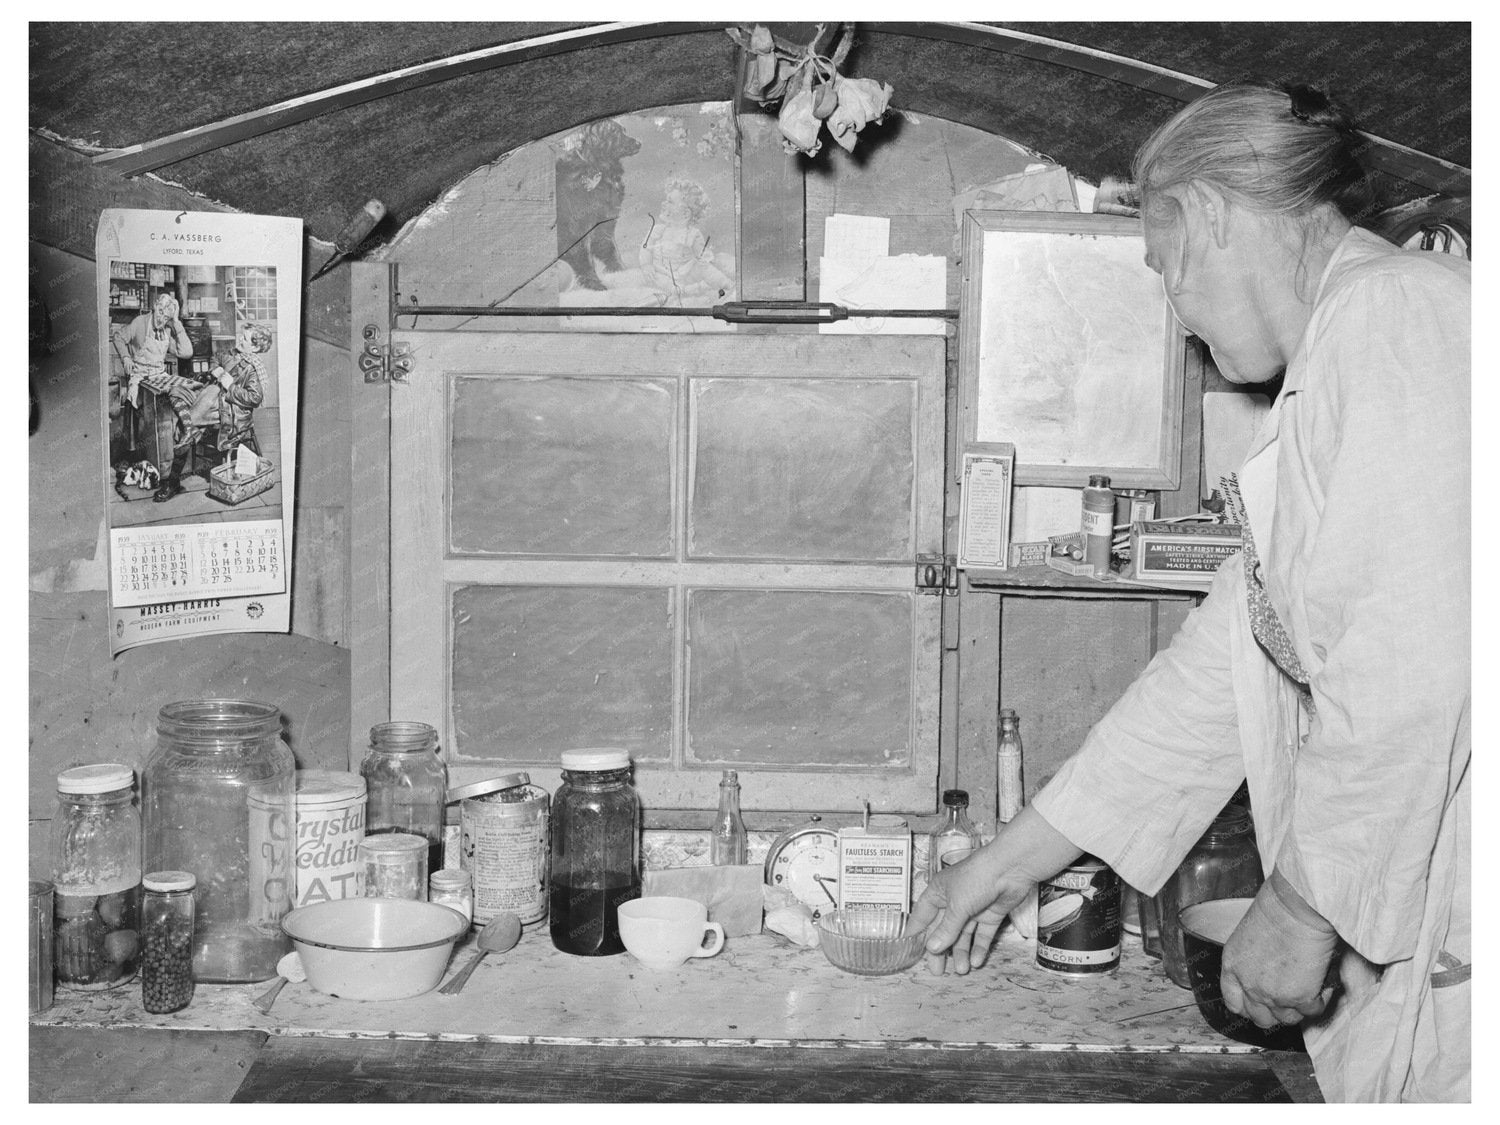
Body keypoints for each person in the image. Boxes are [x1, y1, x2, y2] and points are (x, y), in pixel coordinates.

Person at [909, 81, 1469, 1103]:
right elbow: (1222, 669)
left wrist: (1300, 908)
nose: (1177, 314)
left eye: (1166, 268)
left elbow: (1410, 664)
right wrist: (1011, 861)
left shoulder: (1394, 315)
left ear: (1210, 212)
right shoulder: (1343, 355)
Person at [151, 320, 270, 503]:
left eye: (244, 339)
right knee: (175, 391)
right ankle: (189, 426)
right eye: (241, 335)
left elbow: (254, 398)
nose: (239, 339)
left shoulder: (252, 369)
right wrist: (216, 369)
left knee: (190, 420)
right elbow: (216, 358)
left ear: (254, 348)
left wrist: (230, 386)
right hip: (207, 398)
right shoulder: (232, 353)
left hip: (225, 408)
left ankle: (172, 481)